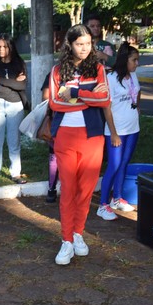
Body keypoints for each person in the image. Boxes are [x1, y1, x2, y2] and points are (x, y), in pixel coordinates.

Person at [47, 23, 110, 266]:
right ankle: (66, 240)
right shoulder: (57, 70)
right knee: (69, 190)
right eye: (79, 44)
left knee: (85, 190)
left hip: (92, 137)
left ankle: (78, 234)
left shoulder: (98, 68)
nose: (84, 48)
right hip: (65, 136)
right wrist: (90, 94)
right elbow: (54, 103)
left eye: (88, 43)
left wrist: (74, 94)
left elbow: (105, 99)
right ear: (70, 45)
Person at [97, 43, 142, 221]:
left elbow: (138, 93)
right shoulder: (111, 79)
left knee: (124, 163)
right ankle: (102, 205)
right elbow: (106, 108)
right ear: (125, 60)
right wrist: (114, 133)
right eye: (134, 60)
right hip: (117, 131)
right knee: (114, 166)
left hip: (133, 128)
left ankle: (117, 198)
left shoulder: (133, 76)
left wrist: (138, 108)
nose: (137, 63)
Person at [0, 34, 29, 186]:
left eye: (5, 46)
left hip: (15, 107)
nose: (1, 49)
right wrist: (13, 83)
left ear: (11, 47)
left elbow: (22, 86)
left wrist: (1, 81)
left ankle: (15, 173)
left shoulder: (19, 63)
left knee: (14, 141)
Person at [40, 73, 59, 203]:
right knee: (54, 156)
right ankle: (51, 189)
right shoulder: (53, 74)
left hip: (79, 125)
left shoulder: (85, 73)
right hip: (56, 121)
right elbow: (45, 97)